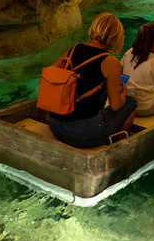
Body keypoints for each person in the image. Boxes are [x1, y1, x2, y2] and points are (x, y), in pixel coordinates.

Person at [45, 13, 137, 148]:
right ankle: (117, 149)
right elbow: (115, 105)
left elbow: (50, 73)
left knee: (98, 90)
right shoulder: (110, 61)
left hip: (55, 125)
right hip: (81, 134)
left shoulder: (74, 49)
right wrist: (123, 95)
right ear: (116, 37)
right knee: (131, 103)